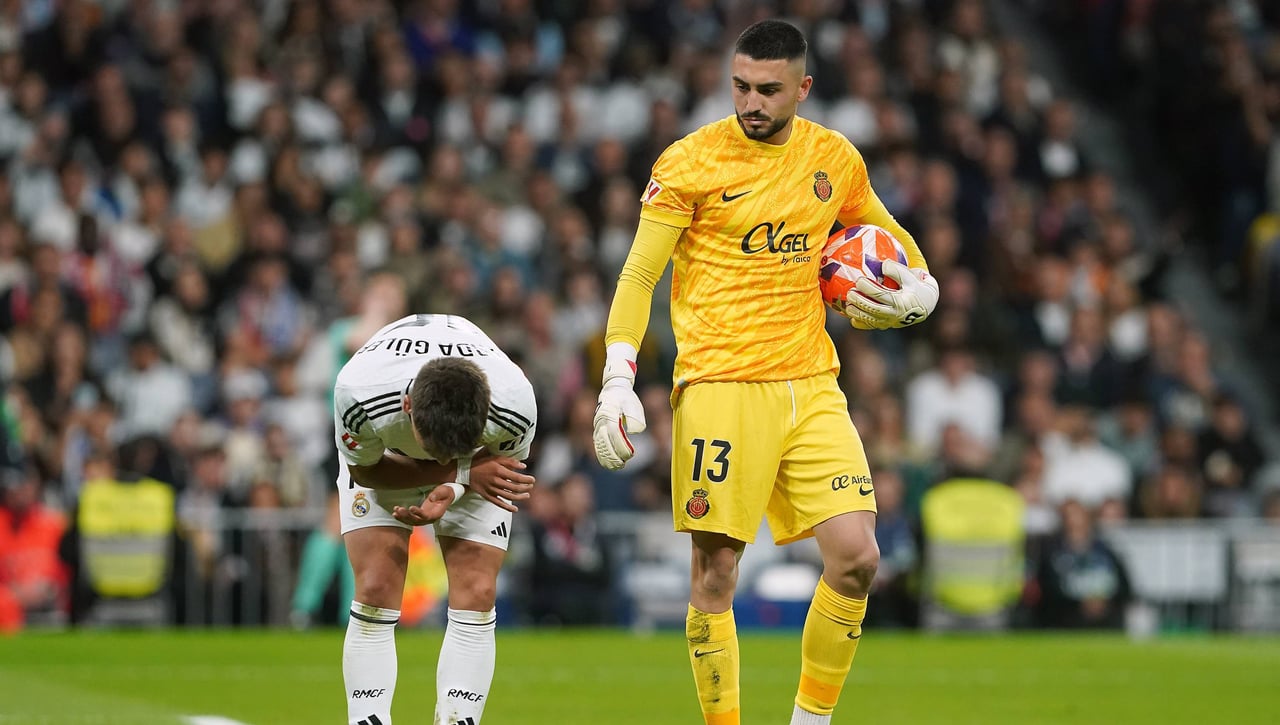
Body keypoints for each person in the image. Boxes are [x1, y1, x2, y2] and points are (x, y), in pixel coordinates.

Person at [592, 20, 938, 725]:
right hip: (720, 386)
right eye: (741, 86)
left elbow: (890, 236)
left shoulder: (833, 158)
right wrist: (617, 377)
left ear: (802, 88)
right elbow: (639, 274)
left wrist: (922, 286)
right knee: (716, 572)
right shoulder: (689, 162)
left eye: (769, 90)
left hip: (811, 383)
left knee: (857, 557)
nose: (751, 102)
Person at [333, 313, 537, 725]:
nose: (441, 457)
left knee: (478, 589)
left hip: (476, 465)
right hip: (389, 459)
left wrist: (456, 484)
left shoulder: (515, 403)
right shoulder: (358, 394)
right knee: (375, 585)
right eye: (434, 447)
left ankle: (458, 720)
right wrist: (458, 472)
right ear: (407, 407)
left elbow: (498, 469)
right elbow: (365, 471)